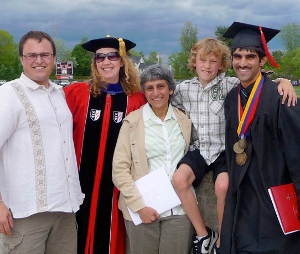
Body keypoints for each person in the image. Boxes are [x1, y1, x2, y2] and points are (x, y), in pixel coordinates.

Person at [171, 38, 297, 254]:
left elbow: (259, 82)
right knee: (181, 180)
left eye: (214, 61)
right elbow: (163, 98)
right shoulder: (192, 90)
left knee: (224, 187)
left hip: (234, 157)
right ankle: (205, 236)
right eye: (203, 60)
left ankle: (222, 238)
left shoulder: (234, 86)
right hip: (206, 153)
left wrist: (283, 80)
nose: (207, 66)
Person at [0, 31, 84, 253]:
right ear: (22, 59)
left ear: (54, 58)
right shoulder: (8, 95)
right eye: (31, 55)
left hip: (64, 207)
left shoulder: (59, 94)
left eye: (45, 54)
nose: (39, 60)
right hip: (25, 212)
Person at [220, 21, 300, 253]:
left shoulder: (280, 98)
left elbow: (297, 153)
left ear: (262, 61)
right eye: (238, 56)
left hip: (271, 195)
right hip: (241, 196)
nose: (242, 63)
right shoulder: (231, 99)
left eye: (250, 56)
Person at [64, 35, 146, 254]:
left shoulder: (136, 100)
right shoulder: (76, 94)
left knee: (110, 236)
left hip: (116, 187)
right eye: (100, 57)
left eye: (112, 56)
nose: (106, 61)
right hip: (79, 182)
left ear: (122, 61)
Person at [112, 64, 195, 254]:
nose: (156, 93)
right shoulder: (132, 123)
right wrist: (139, 206)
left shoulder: (184, 120)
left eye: (161, 86)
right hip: (143, 209)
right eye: (150, 88)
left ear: (170, 89)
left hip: (179, 210)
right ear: (144, 92)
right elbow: (119, 170)